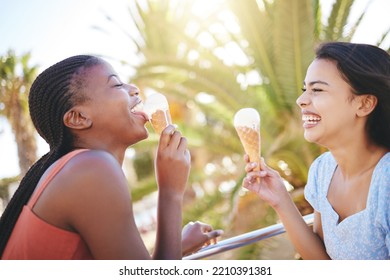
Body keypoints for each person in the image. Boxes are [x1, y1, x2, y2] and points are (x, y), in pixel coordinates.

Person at [0, 55, 222, 260]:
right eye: (117, 84)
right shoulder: (91, 170)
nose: (134, 89)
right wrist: (170, 192)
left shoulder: (80, 169)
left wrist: (177, 246)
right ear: (78, 117)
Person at [242, 42, 390, 259]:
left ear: (365, 103)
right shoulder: (322, 170)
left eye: (317, 90)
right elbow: (322, 261)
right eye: (305, 90)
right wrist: (280, 200)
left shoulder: (386, 183)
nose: (301, 101)